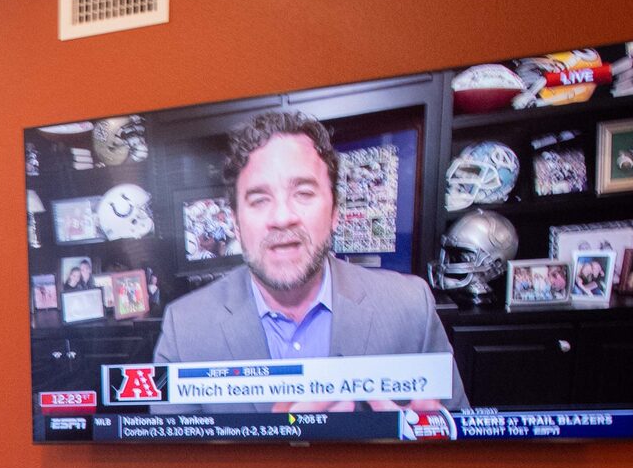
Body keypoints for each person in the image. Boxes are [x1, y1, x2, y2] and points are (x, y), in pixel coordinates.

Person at [152, 110, 460, 410]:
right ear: (235, 223)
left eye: (304, 193)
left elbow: (465, 454)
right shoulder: (185, 329)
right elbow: (174, 463)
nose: (283, 218)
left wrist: (414, 448)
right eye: (259, 199)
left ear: (335, 212)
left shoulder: (410, 307)